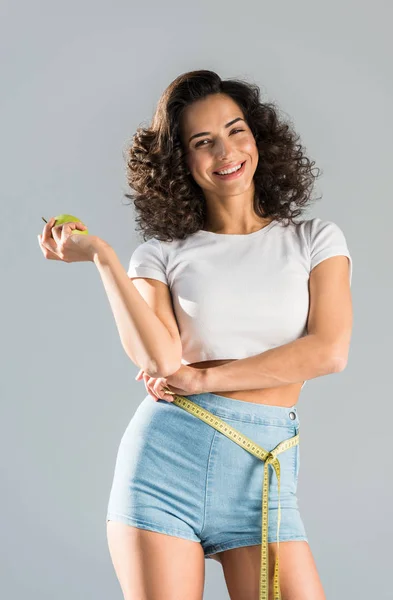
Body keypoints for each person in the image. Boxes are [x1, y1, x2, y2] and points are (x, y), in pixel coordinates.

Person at [38, 70, 353, 600]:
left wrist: (204, 380)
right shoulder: (160, 254)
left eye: (236, 131)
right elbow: (160, 360)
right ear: (180, 160)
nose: (225, 151)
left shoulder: (314, 240)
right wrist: (103, 256)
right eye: (202, 141)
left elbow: (328, 351)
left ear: (259, 138)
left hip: (262, 476)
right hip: (164, 468)